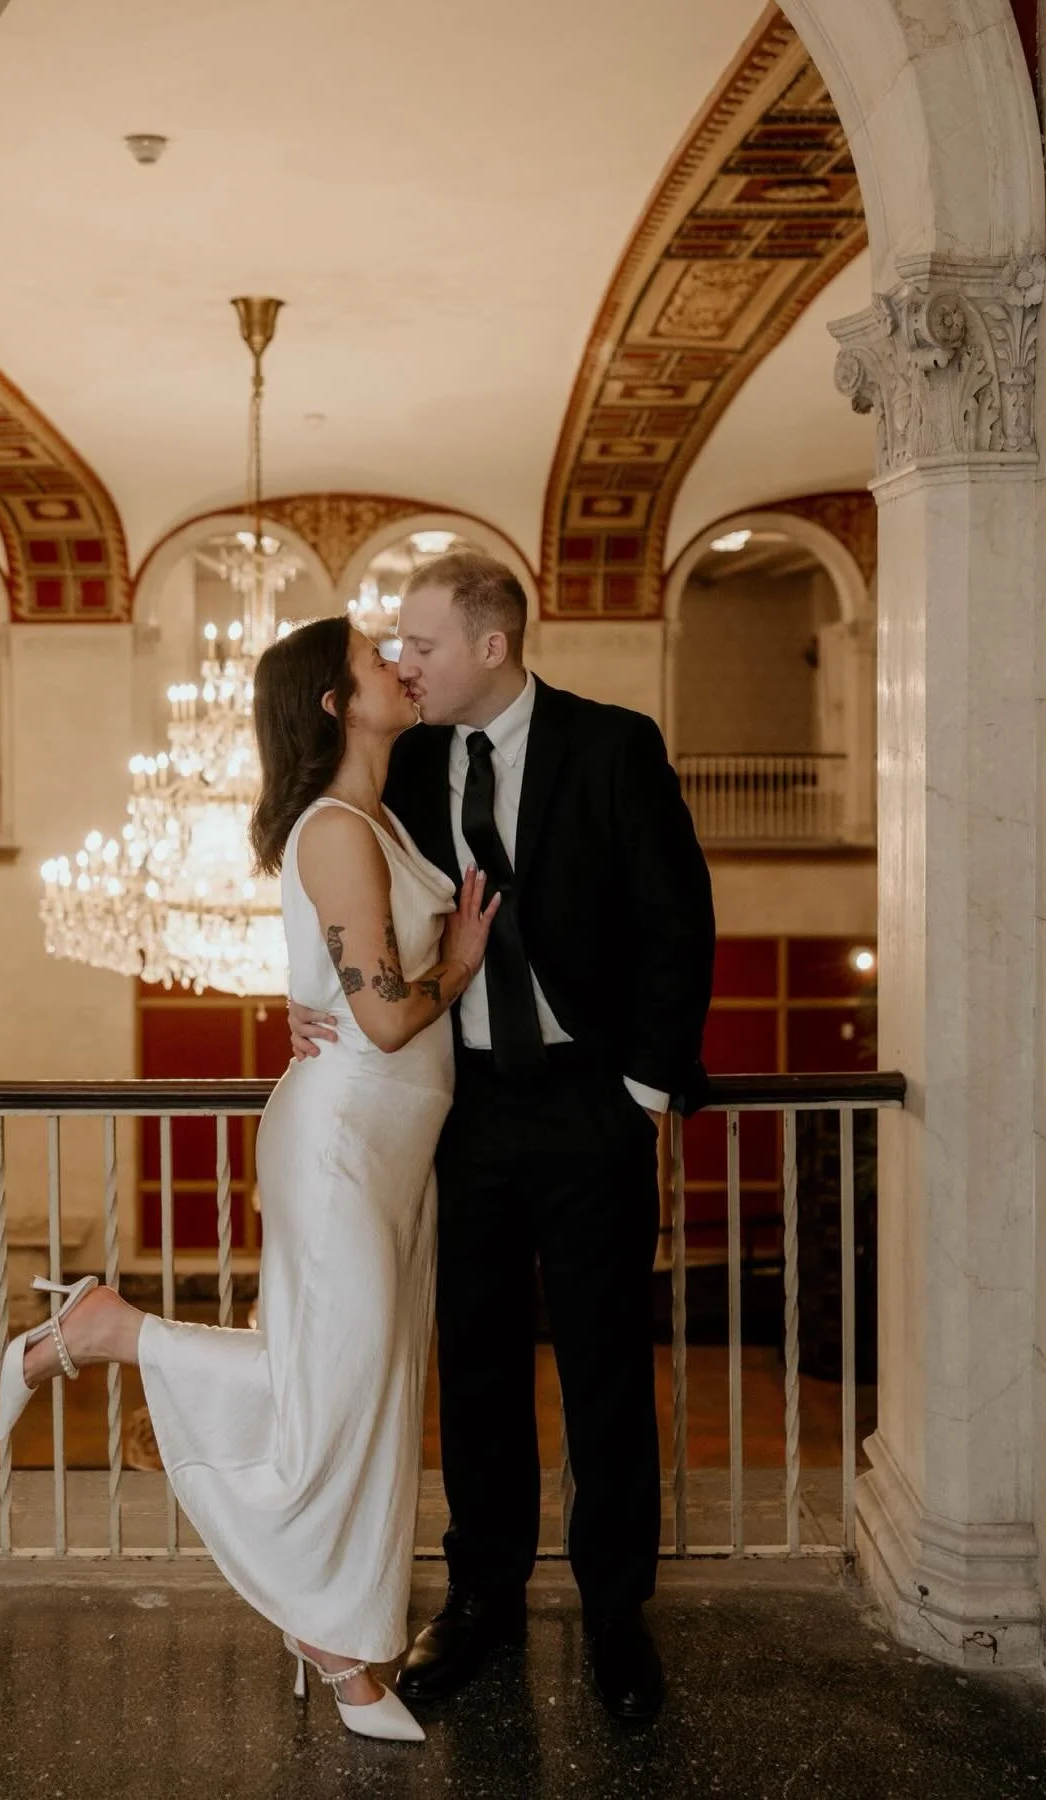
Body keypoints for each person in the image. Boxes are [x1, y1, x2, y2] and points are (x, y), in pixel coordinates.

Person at [0, 616, 499, 1744]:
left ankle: (342, 1633)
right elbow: (382, 1018)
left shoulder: (377, 815)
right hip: (341, 1143)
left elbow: (351, 981)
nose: (399, 666)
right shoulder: (336, 829)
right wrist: (460, 963)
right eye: (374, 660)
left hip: (393, 1148)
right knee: (329, 1387)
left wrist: (350, 982)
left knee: (366, 1396)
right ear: (334, 701)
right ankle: (107, 1331)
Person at [290, 552, 715, 1722]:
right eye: (395, 646)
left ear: (491, 645)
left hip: (591, 1102)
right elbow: (342, 890)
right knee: (473, 1365)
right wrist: (309, 995)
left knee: (605, 1366)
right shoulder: (406, 760)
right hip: (459, 1105)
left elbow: (678, 924)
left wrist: (641, 1094)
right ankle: (481, 1597)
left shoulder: (613, 745)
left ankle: (616, 1612)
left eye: (421, 643)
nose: (404, 661)